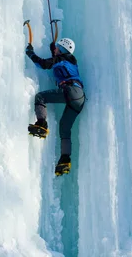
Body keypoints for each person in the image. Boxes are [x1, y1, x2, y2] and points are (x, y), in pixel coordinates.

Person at [26, 37, 85, 176]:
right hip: (80, 98)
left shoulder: (61, 59)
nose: (56, 49)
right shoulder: (70, 61)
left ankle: (42, 124)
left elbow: (43, 64)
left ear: (62, 49)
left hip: (71, 91)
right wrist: (54, 49)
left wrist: (30, 53)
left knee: (40, 97)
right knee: (64, 128)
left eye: (58, 47)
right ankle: (65, 160)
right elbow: (58, 63)